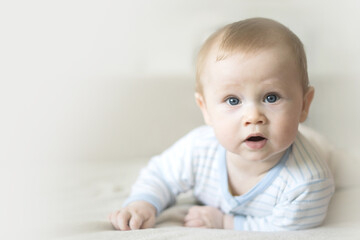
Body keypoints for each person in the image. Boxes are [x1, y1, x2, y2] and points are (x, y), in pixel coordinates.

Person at [108, 17, 334, 231]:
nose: (253, 116)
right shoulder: (199, 148)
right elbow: (160, 174)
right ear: (205, 108)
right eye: (233, 100)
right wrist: (143, 203)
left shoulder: (307, 182)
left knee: (343, 167)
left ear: (304, 105)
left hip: (319, 147)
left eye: (271, 97)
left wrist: (225, 222)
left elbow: (287, 226)